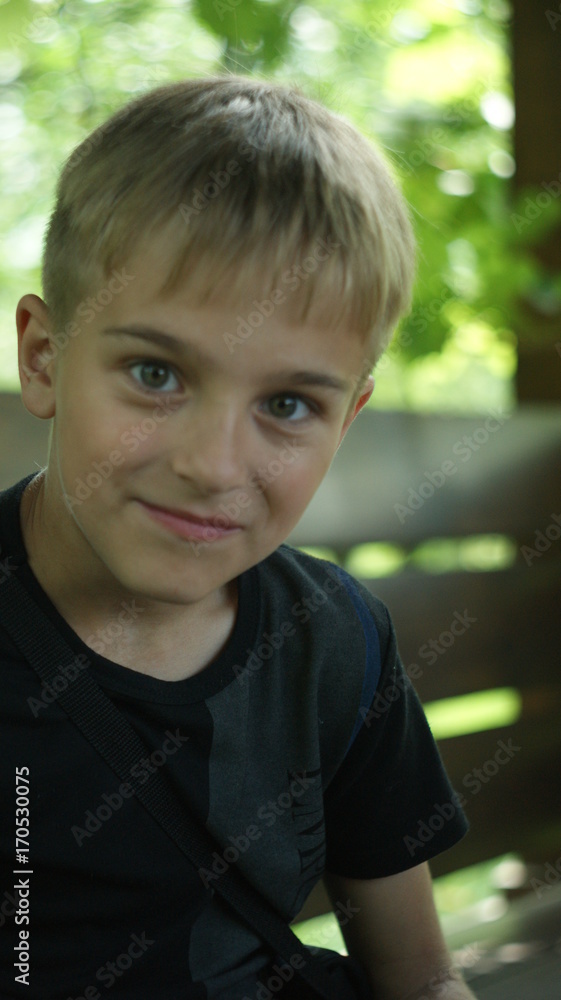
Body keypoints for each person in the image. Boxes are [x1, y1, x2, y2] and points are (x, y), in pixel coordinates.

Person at [0, 74, 477, 999]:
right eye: (155, 373)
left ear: (345, 421)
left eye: (288, 404)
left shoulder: (333, 643)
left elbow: (418, 981)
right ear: (44, 358)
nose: (214, 466)